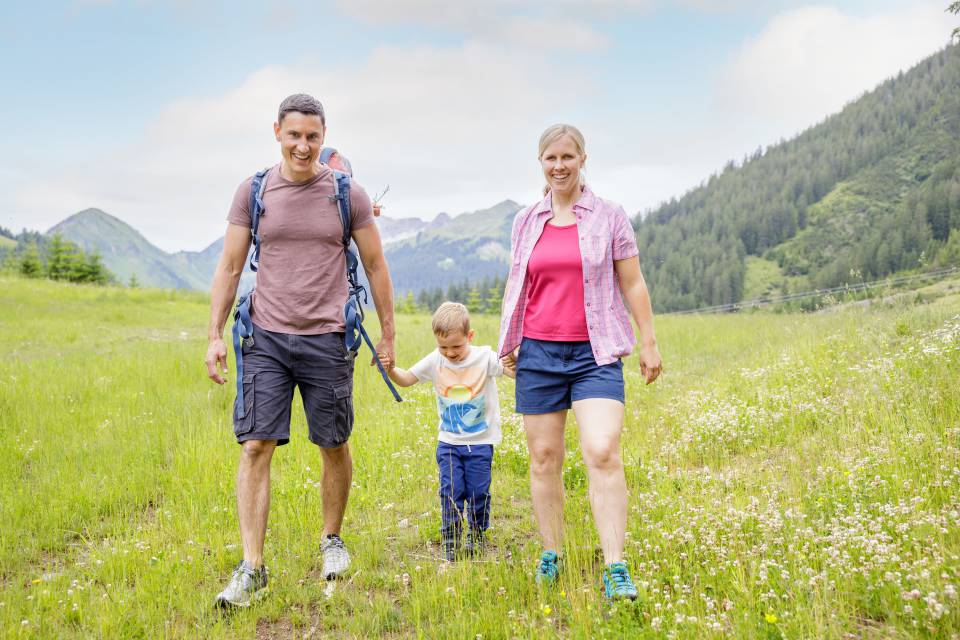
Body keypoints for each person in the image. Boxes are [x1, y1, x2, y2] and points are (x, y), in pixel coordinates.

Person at [204, 93, 396, 608]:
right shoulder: (254, 191)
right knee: (255, 447)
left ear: (323, 135)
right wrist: (214, 335)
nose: (304, 146)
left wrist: (390, 335)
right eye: (294, 135)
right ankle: (253, 566)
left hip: (328, 338)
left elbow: (377, 266)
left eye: (313, 136)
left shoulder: (345, 194)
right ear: (277, 133)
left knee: (332, 443)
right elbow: (228, 267)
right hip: (265, 337)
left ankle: (332, 540)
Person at [498, 124, 662, 601]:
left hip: (596, 352)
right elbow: (519, 285)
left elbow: (632, 283)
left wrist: (648, 342)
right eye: (551, 158)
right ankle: (552, 553)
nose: (559, 166)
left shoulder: (609, 216)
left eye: (568, 156)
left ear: (583, 158)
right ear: (540, 163)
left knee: (603, 449)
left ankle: (615, 566)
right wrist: (509, 340)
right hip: (538, 353)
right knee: (544, 458)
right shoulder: (526, 220)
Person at [382, 302, 515, 561]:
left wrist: (515, 363)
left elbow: (509, 370)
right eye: (444, 347)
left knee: (478, 492)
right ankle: (451, 539)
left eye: (457, 346)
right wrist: (389, 370)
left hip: (480, 442)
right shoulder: (436, 360)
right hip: (449, 443)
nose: (450, 353)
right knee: (451, 491)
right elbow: (407, 378)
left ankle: (476, 535)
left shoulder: (485, 357)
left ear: (470, 336)